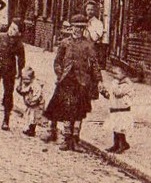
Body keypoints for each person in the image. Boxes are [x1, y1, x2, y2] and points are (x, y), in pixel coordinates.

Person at [44, 15, 102, 151]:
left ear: (84, 29)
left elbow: (94, 64)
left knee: (79, 111)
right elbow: (57, 62)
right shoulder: (65, 43)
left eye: (81, 28)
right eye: (76, 27)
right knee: (66, 109)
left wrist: (98, 80)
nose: (78, 30)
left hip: (82, 82)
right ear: (71, 28)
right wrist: (60, 74)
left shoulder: (88, 44)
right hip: (67, 81)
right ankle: (66, 139)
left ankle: (75, 140)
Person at [17, 67, 46, 138]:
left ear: (32, 78)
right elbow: (24, 91)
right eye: (23, 79)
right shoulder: (26, 84)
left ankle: (32, 130)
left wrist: (33, 100)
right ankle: (30, 128)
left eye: (27, 79)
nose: (25, 81)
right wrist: (19, 89)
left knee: (34, 117)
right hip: (30, 104)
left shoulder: (35, 85)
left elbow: (37, 94)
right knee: (29, 116)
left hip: (36, 104)